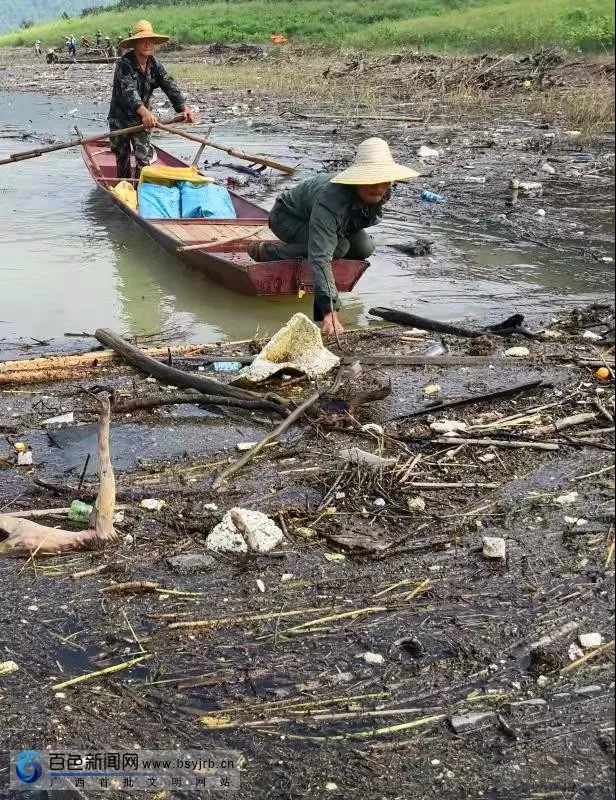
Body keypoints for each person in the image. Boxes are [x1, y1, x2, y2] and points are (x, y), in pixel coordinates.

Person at [248, 138, 419, 335]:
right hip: (287, 218)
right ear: (358, 180)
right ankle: (269, 252)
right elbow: (321, 257)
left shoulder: (382, 192)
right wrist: (329, 311)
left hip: (333, 222)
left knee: (365, 248)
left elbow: (357, 219)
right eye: (371, 180)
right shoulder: (330, 199)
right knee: (337, 248)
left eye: (383, 181)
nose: (379, 188)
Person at [108, 20, 196, 181]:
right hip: (120, 118)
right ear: (135, 43)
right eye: (142, 40)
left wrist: (184, 107)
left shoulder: (155, 64)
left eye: (150, 40)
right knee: (122, 158)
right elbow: (129, 92)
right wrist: (145, 113)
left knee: (144, 158)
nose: (147, 44)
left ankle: (141, 191)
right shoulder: (124, 64)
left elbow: (169, 85)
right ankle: (124, 188)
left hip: (142, 121)